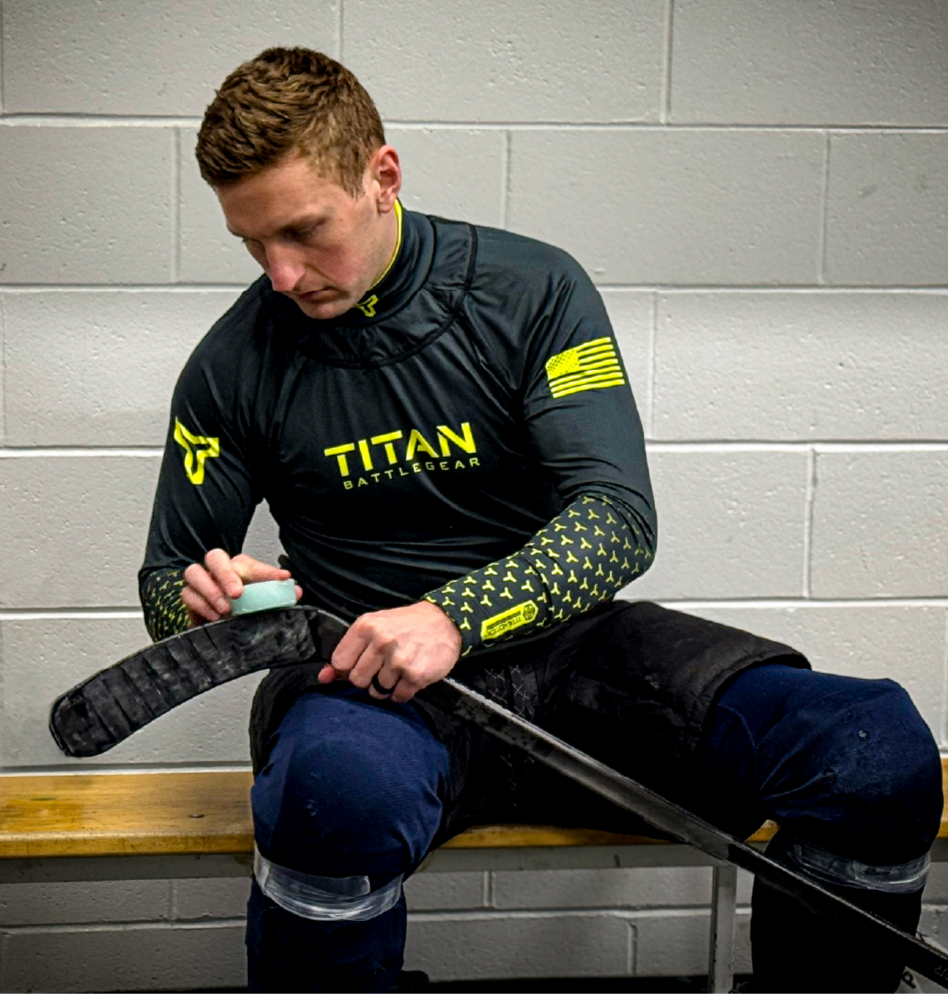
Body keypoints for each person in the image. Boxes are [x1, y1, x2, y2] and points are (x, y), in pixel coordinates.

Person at [138, 47, 942, 994]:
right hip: (366, 685)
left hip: (575, 657)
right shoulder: (232, 363)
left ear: (382, 176)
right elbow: (163, 585)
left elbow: (617, 520)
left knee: (875, 750)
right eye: (251, 242)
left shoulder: (532, 291)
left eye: (304, 231)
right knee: (329, 800)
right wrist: (211, 606)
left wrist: (450, 619)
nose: (281, 273)